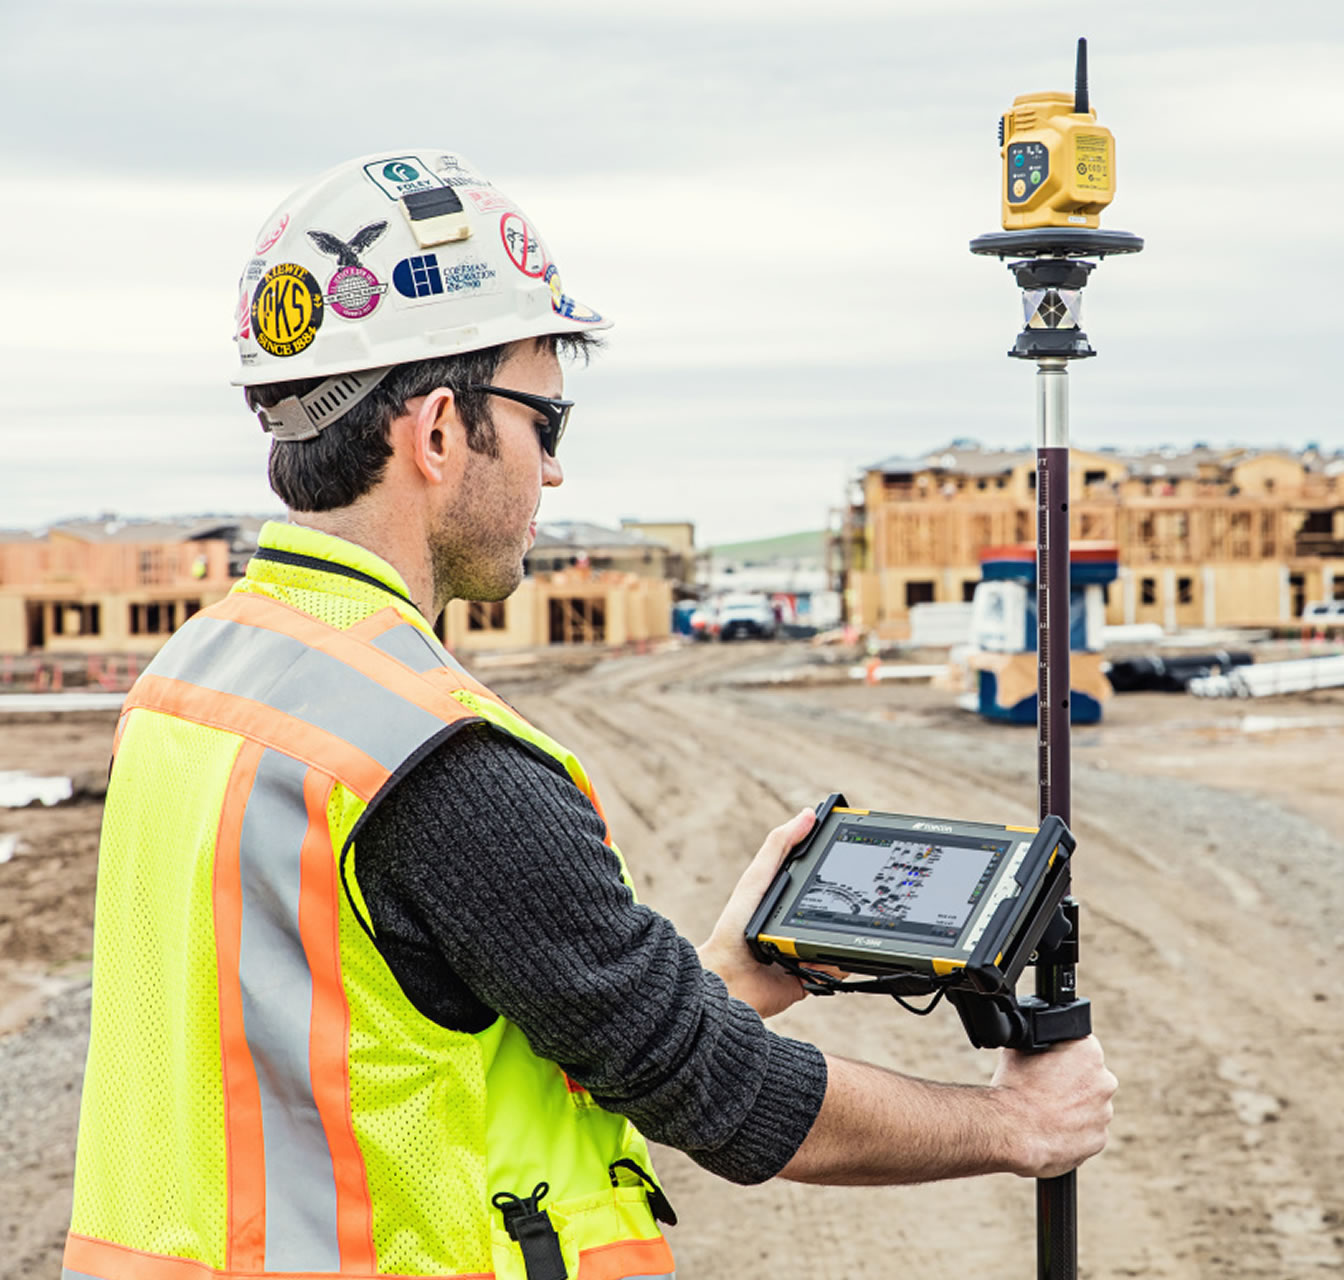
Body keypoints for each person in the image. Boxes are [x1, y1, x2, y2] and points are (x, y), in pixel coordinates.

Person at [65, 151, 1115, 1280]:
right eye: (545, 422)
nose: (554, 473)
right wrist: (1017, 1125)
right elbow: (718, 1090)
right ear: (435, 432)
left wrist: (708, 971)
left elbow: (362, 1017)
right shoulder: (441, 763)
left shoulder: (191, 681)